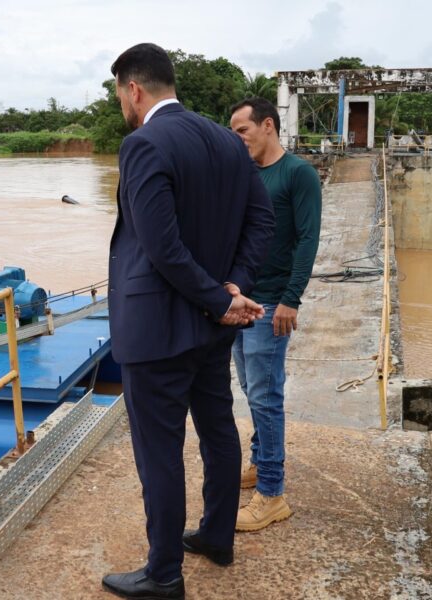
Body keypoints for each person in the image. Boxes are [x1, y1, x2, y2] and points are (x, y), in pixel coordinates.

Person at [101, 44, 274, 600]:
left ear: (134, 90)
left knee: (160, 450)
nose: (122, 104)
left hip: (157, 330)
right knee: (218, 428)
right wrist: (233, 286)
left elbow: (160, 246)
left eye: (120, 94)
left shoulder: (143, 143)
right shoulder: (228, 141)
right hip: (211, 328)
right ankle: (219, 536)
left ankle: (164, 572)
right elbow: (259, 218)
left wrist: (218, 298)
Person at [227, 97, 322, 532]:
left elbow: (307, 240)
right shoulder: (245, 173)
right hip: (241, 303)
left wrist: (291, 299)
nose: (236, 138)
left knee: (267, 397)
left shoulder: (297, 174)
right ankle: (257, 462)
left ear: (268, 125)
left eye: (241, 130)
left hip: (271, 305)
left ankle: (272, 493)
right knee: (251, 389)